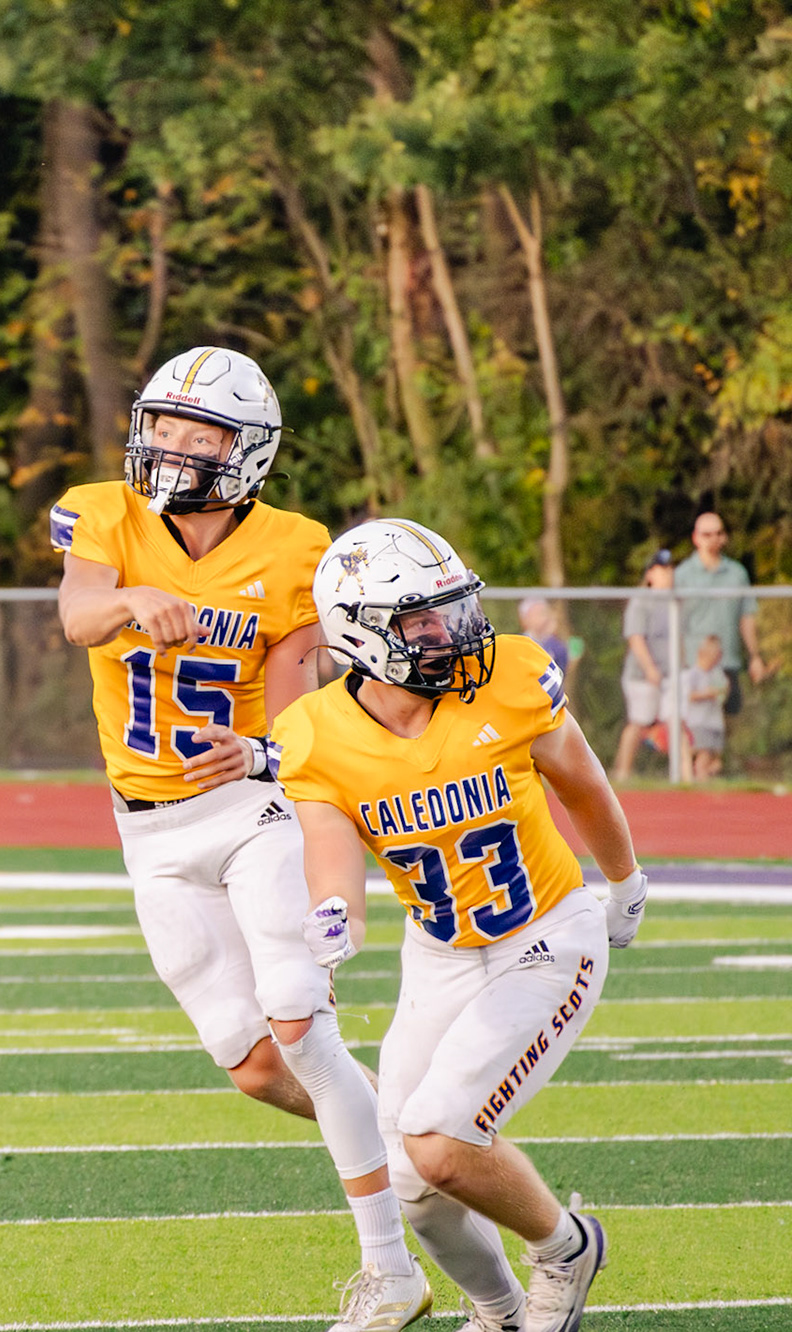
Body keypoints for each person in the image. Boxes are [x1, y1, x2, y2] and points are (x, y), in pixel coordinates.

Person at [54, 347, 428, 1331]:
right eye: (162, 426)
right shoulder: (107, 516)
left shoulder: (299, 548)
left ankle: (390, 1264)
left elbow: (302, 703)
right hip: (148, 831)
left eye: (195, 433)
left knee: (300, 1019)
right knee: (257, 1066)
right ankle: (424, 1144)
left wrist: (264, 752)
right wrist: (132, 600)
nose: (170, 447)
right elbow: (78, 615)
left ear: (246, 452)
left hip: (254, 810)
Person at [272, 518, 648, 1332]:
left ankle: (566, 1248)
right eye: (421, 621)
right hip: (441, 953)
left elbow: (582, 782)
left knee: (440, 1137)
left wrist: (625, 883)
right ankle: (502, 1313)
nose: (452, 634)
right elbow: (331, 852)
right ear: (359, 635)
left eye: (454, 610)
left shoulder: (509, 678)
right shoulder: (315, 733)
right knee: (412, 1179)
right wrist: (333, 916)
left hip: (546, 936)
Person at [675, 511, 774, 725]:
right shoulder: (683, 575)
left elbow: (746, 616)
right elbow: (675, 624)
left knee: (724, 729)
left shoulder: (737, 573)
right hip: (695, 665)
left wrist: (754, 656)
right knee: (697, 732)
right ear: (696, 537)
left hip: (727, 661)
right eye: (707, 534)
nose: (713, 539)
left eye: (718, 533)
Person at [611, 550, 676, 783]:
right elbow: (635, 637)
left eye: (670, 569)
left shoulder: (674, 600)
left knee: (673, 720)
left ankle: (680, 775)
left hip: (669, 674)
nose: (669, 574)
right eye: (663, 569)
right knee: (638, 723)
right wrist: (649, 668)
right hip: (642, 675)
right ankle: (622, 773)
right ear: (650, 574)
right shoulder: (642, 600)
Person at [681, 634, 730, 781]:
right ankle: (697, 777)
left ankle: (696, 776)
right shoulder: (693, 674)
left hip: (714, 722)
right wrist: (706, 694)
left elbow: (723, 693)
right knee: (702, 753)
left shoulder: (717, 674)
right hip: (699, 721)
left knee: (713, 759)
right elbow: (687, 696)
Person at [516, 599, 568, 676]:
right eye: (537, 614)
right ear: (525, 618)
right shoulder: (518, 643)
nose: (543, 618)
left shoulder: (556, 646)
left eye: (544, 613)